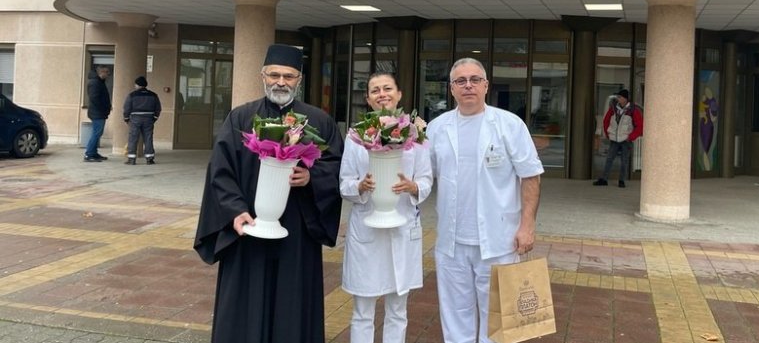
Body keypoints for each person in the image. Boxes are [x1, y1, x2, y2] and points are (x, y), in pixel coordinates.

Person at [193, 44, 343, 343]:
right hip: (248, 227)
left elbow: (338, 167)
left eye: (288, 76)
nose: (281, 82)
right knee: (245, 302)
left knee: (292, 302)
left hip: (297, 229)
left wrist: (311, 177)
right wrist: (235, 211)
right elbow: (221, 170)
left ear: (299, 79)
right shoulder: (240, 118)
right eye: (274, 75)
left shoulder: (319, 121)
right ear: (263, 76)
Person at [426, 57, 543, 343]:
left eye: (475, 80)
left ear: (486, 85)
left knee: (499, 319)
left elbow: (530, 176)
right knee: (455, 316)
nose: (468, 86)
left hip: (499, 239)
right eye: (460, 81)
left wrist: (527, 226)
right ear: (451, 89)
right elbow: (423, 176)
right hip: (452, 242)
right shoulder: (436, 128)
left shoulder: (509, 124)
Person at [339, 72, 433, 343]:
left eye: (387, 88)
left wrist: (413, 187)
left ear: (399, 94)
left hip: (402, 227)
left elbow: (426, 179)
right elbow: (344, 182)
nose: (382, 94)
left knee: (398, 310)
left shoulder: (416, 136)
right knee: (362, 311)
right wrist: (360, 187)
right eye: (375, 90)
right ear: (368, 99)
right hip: (367, 230)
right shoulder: (356, 136)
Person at [593, 88, 643, 188]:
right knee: (609, 159)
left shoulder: (633, 110)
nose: (618, 99)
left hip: (626, 140)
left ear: (625, 99)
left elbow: (640, 126)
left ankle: (621, 181)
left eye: (620, 97)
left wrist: (631, 137)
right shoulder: (613, 108)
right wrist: (608, 133)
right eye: (618, 97)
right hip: (614, 139)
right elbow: (606, 120)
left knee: (624, 161)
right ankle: (604, 179)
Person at [123, 76, 162, 165]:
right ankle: (149, 159)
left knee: (133, 138)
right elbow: (158, 108)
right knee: (148, 138)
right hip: (149, 118)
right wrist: (154, 118)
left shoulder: (132, 95)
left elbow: (126, 108)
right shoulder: (153, 95)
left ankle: (132, 159)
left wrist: (126, 119)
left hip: (135, 119)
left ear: (137, 85)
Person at [84, 65, 112, 162]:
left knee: (97, 133)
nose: (108, 74)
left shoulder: (99, 82)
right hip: (97, 113)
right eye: (107, 72)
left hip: (98, 112)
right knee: (96, 133)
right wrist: (103, 108)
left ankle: (93, 153)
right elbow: (94, 98)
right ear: (101, 72)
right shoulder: (95, 83)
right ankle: (89, 154)